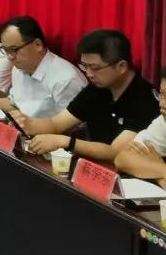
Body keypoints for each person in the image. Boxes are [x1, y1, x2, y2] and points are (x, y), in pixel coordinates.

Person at [17, 30, 158, 159]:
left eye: (94, 68)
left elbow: (115, 152)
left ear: (121, 66)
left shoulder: (146, 99)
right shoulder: (97, 88)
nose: (88, 74)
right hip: (90, 166)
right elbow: (56, 123)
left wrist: (65, 142)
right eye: (84, 66)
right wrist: (26, 123)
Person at [0, 16, 86, 118]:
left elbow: (71, 127)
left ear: (38, 45)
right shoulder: (19, 68)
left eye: (14, 50)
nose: (10, 57)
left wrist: (28, 124)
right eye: (6, 50)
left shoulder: (66, 79)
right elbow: (14, 104)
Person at [114, 68, 166, 181]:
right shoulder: (163, 121)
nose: (162, 104)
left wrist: (155, 170)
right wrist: (162, 169)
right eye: (162, 94)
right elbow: (122, 159)